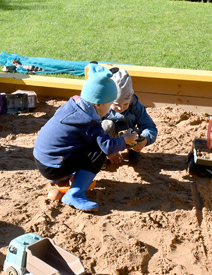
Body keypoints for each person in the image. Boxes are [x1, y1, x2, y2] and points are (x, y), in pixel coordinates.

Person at [33, 65, 138, 212]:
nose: (109, 109)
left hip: (42, 159)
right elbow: (107, 147)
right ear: (99, 104)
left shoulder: (73, 106)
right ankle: (75, 194)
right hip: (54, 167)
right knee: (98, 151)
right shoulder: (89, 121)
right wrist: (125, 140)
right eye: (109, 104)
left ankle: (61, 179)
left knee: (85, 142)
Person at [101, 69, 158, 165]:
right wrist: (109, 151)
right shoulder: (103, 106)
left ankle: (133, 151)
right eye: (116, 104)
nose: (121, 108)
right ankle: (103, 155)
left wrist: (145, 139)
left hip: (129, 135)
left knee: (136, 135)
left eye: (125, 104)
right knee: (106, 125)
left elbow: (149, 127)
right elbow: (92, 129)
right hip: (109, 139)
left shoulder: (136, 107)